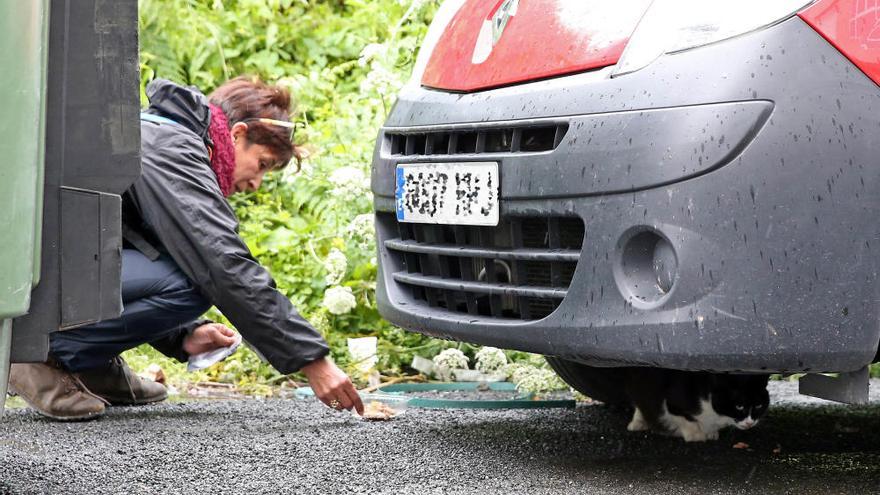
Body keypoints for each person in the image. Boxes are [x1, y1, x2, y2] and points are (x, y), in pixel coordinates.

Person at [9, 77, 364, 420]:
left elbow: (128, 248)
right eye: (263, 164)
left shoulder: (165, 135)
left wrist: (183, 335)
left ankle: (88, 363)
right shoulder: (172, 148)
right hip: (27, 278)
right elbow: (222, 264)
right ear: (238, 134)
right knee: (196, 281)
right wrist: (313, 361)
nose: (256, 183)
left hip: (44, 268)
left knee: (190, 271)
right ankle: (38, 356)